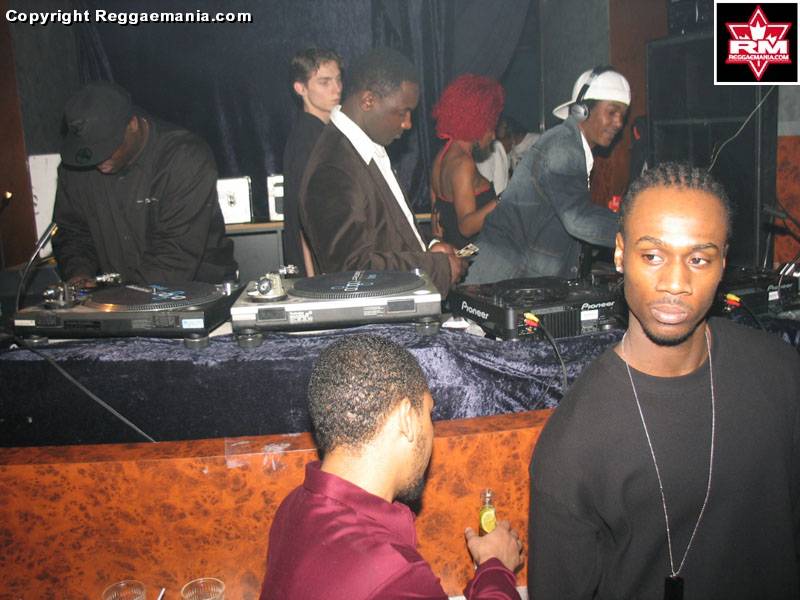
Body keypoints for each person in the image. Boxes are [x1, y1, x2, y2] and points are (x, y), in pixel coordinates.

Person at [528, 162, 800, 599]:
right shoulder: (575, 442)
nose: (675, 283)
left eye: (698, 259)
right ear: (620, 254)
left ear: (723, 262)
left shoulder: (783, 375)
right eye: (652, 256)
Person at [259, 334, 523, 599]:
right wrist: (495, 565)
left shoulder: (293, 506)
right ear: (406, 418)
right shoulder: (391, 574)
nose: (431, 429)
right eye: (429, 414)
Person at [298, 47, 465, 296]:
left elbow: (387, 230)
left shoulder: (363, 147)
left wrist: (429, 247)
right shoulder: (333, 168)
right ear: (368, 101)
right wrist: (437, 267)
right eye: (402, 112)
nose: (408, 124)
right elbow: (351, 271)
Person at [53, 81, 237, 286]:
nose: (98, 160)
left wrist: (124, 297)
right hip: (122, 294)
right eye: (89, 152)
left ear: (133, 124)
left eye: (106, 147)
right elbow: (73, 232)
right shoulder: (76, 167)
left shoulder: (184, 157)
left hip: (198, 288)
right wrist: (79, 274)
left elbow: (175, 254)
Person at [465, 66, 630, 284]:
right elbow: (578, 219)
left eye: (623, 115)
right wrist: (636, 230)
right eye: (612, 112)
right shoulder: (563, 148)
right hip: (503, 277)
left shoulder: (570, 145)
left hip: (513, 278)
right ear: (582, 110)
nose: (619, 123)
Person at [282, 48, 343, 275]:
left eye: (338, 80)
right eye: (325, 82)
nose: (336, 89)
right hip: (319, 271)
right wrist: (312, 278)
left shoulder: (323, 133)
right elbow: (303, 217)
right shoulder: (307, 139)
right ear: (301, 88)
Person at [430, 74, 505, 250]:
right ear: (478, 123)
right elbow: (466, 227)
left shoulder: (441, 156)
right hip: (473, 257)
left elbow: (436, 215)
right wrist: (505, 198)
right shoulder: (463, 164)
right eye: (491, 126)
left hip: (460, 254)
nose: (493, 135)